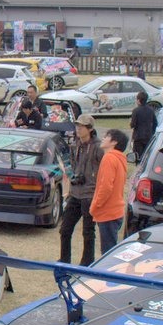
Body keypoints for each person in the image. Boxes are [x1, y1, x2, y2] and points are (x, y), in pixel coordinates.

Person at [59, 114, 103, 266]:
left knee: (88, 232)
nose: (78, 128)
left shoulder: (98, 147)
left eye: (81, 126)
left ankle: (87, 264)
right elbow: (72, 165)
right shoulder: (75, 145)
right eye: (77, 125)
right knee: (65, 229)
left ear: (90, 129)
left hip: (90, 194)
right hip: (75, 192)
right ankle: (64, 260)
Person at [90, 128, 129, 254]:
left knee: (107, 253)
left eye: (106, 136)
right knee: (110, 249)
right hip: (116, 211)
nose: (103, 138)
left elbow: (106, 187)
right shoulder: (120, 159)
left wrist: (95, 206)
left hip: (108, 212)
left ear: (114, 142)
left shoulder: (109, 158)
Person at [129, 90, 157, 162]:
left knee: (137, 156)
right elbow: (155, 123)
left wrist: (130, 122)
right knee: (146, 155)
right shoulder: (151, 110)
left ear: (138, 100)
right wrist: (152, 131)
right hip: (148, 136)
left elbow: (133, 125)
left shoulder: (136, 111)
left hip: (138, 136)